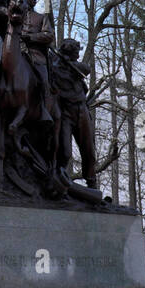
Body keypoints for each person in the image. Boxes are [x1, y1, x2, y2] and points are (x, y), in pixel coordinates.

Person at [53, 37, 98, 188]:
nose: (77, 56)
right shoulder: (55, 68)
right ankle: (59, 181)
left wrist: (70, 63)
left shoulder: (77, 67)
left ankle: (91, 182)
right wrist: (63, 63)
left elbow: (86, 69)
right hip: (66, 113)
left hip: (81, 111)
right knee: (65, 152)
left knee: (88, 151)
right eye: (75, 54)